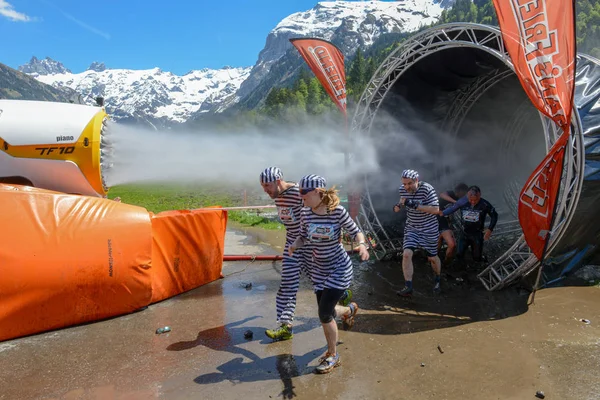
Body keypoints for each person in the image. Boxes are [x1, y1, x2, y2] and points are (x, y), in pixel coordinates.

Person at [289, 174, 369, 374]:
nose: (301, 197)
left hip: (338, 268)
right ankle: (350, 310)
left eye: (303, 193)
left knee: (324, 314)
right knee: (329, 313)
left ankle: (333, 355)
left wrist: (361, 245)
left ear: (317, 192)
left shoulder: (337, 212)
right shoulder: (305, 214)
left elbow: (356, 231)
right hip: (319, 270)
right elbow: (302, 237)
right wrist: (294, 246)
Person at [393, 169, 442, 297]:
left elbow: (436, 209)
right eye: (404, 184)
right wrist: (398, 206)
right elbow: (402, 200)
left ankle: (437, 279)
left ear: (416, 180)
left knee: (432, 257)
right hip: (412, 227)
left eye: (409, 184)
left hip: (429, 228)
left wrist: (415, 205)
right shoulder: (403, 189)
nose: (406, 187)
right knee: (407, 254)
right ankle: (408, 287)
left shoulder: (427, 189)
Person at [438, 185, 498, 262]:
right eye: (470, 200)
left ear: (479, 196)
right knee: (459, 255)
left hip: (477, 234)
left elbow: (494, 216)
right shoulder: (462, 201)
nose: (473, 202)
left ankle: (478, 266)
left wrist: (490, 229)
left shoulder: (485, 204)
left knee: (476, 257)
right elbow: (452, 209)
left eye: (475, 200)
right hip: (464, 233)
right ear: (467, 196)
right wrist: (442, 213)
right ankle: (460, 270)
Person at [437, 183, 469, 264]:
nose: (464, 195)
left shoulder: (463, 200)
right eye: (464, 193)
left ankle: (443, 263)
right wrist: (455, 202)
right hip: (435, 218)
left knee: (449, 243)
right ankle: (438, 262)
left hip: (444, 221)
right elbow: (442, 195)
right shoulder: (451, 193)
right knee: (447, 244)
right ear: (459, 191)